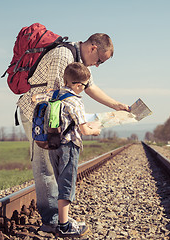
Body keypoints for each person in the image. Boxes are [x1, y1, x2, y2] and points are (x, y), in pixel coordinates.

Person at [18, 33, 129, 233]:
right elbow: (54, 94)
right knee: (46, 167)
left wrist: (116, 105)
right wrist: (80, 120)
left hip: (55, 117)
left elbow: (90, 87)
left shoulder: (79, 61)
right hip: (39, 115)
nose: (97, 66)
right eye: (100, 61)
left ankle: (60, 218)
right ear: (93, 48)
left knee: (55, 166)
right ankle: (53, 221)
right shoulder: (63, 55)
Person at [33, 62, 101, 237]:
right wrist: (96, 130)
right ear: (79, 85)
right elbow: (84, 129)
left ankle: (64, 218)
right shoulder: (75, 101)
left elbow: (36, 99)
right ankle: (63, 226)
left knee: (59, 181)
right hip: (69, 147)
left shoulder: (56, 95)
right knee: (67, 185)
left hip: (53, 146)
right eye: (85, 86)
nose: (84, 89)